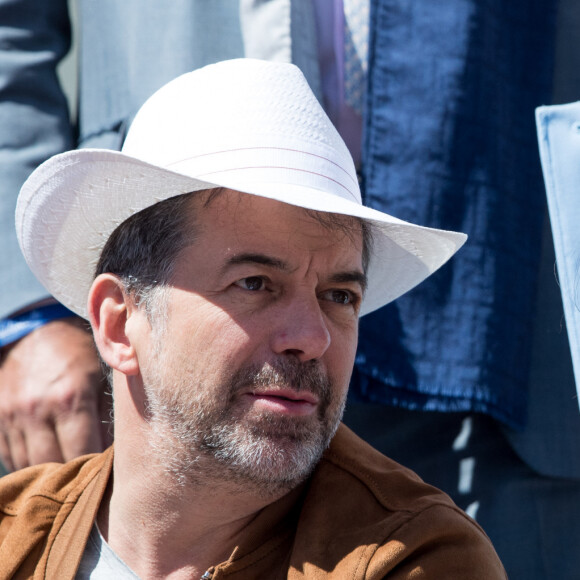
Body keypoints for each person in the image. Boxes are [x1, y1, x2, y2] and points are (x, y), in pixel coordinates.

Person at [0, 59, 505, 579]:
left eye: (339, 295)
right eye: (255, 284)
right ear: (119, 324)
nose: (311, 337)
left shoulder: (412, 559)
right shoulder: (14, 537)